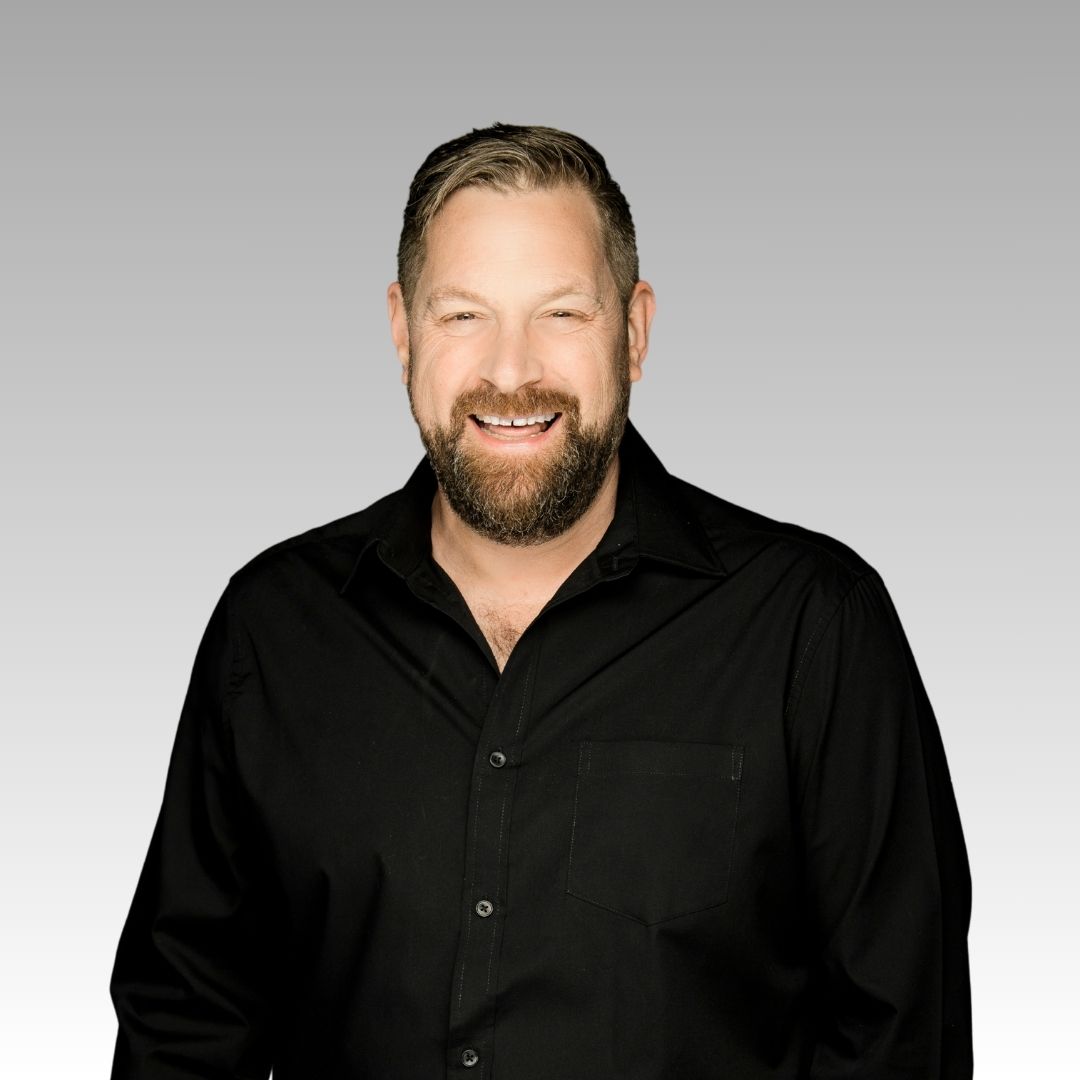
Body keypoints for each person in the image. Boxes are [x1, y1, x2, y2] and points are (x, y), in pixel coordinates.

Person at [110, 123, 972, 1079]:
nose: (511, 371)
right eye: (463, 315)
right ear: (402, 329)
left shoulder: (814, 625)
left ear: (633, 330)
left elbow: (902, 1039)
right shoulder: (270, 631)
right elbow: (184, 1029)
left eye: (560, 314)